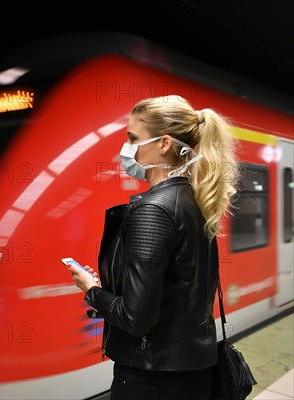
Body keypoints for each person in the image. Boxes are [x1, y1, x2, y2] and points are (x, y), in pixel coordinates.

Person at [67, 95, 239, 400]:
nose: (127, 148)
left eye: (133, 138)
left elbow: (136, 319)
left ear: (164, 144)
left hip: (153, 378)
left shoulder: (153, 210)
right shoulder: (195, 201)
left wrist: (91, 289)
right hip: (192, 368)